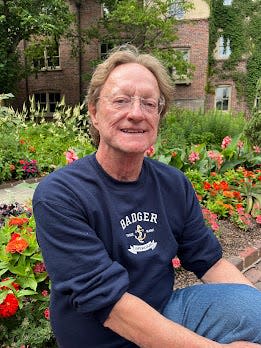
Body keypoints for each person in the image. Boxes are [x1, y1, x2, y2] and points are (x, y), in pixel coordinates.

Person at [33, 45, 261, 348]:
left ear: (159, 116)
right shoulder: (60, 195)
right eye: (121, 101)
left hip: (164, 314)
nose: (136, 114)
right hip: (98, 336)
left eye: (149, 104)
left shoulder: (173, 184)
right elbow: (110, 306)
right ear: (94, 112)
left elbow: (209, 262)